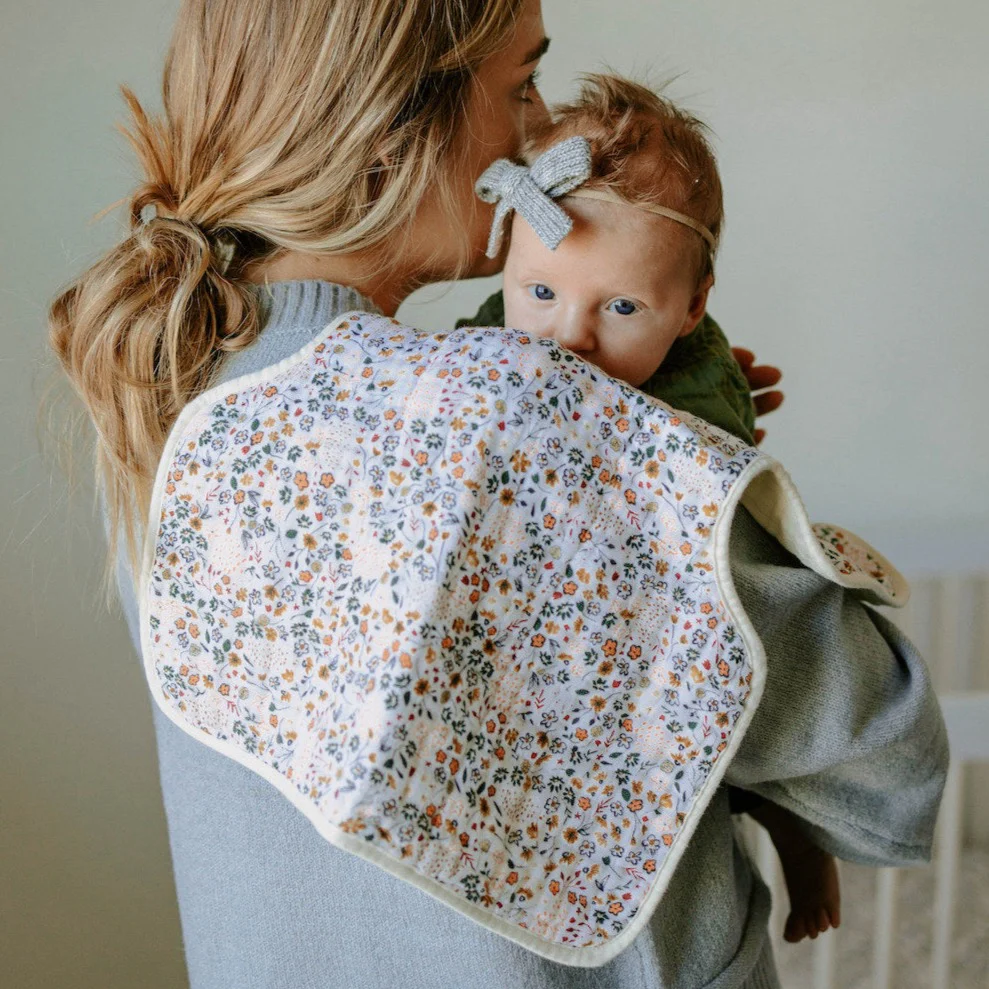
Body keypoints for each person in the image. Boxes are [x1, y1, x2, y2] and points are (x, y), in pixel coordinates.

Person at [45, 2, 947, 987]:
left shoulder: (165, 399)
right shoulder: (523, 418)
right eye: (521, 85)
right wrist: (676, 482)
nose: (538, 132)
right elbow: (886, 766)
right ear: (396, 122)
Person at [462, 73, 840, 944]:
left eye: (623, 307)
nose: (571, 335)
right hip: (555, 629)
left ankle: (796, 829)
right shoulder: (485, 351)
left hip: (673, 612)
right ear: (508, 263)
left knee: (739, 712)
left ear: (690, 308)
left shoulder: (698, 393)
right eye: (541, 292)